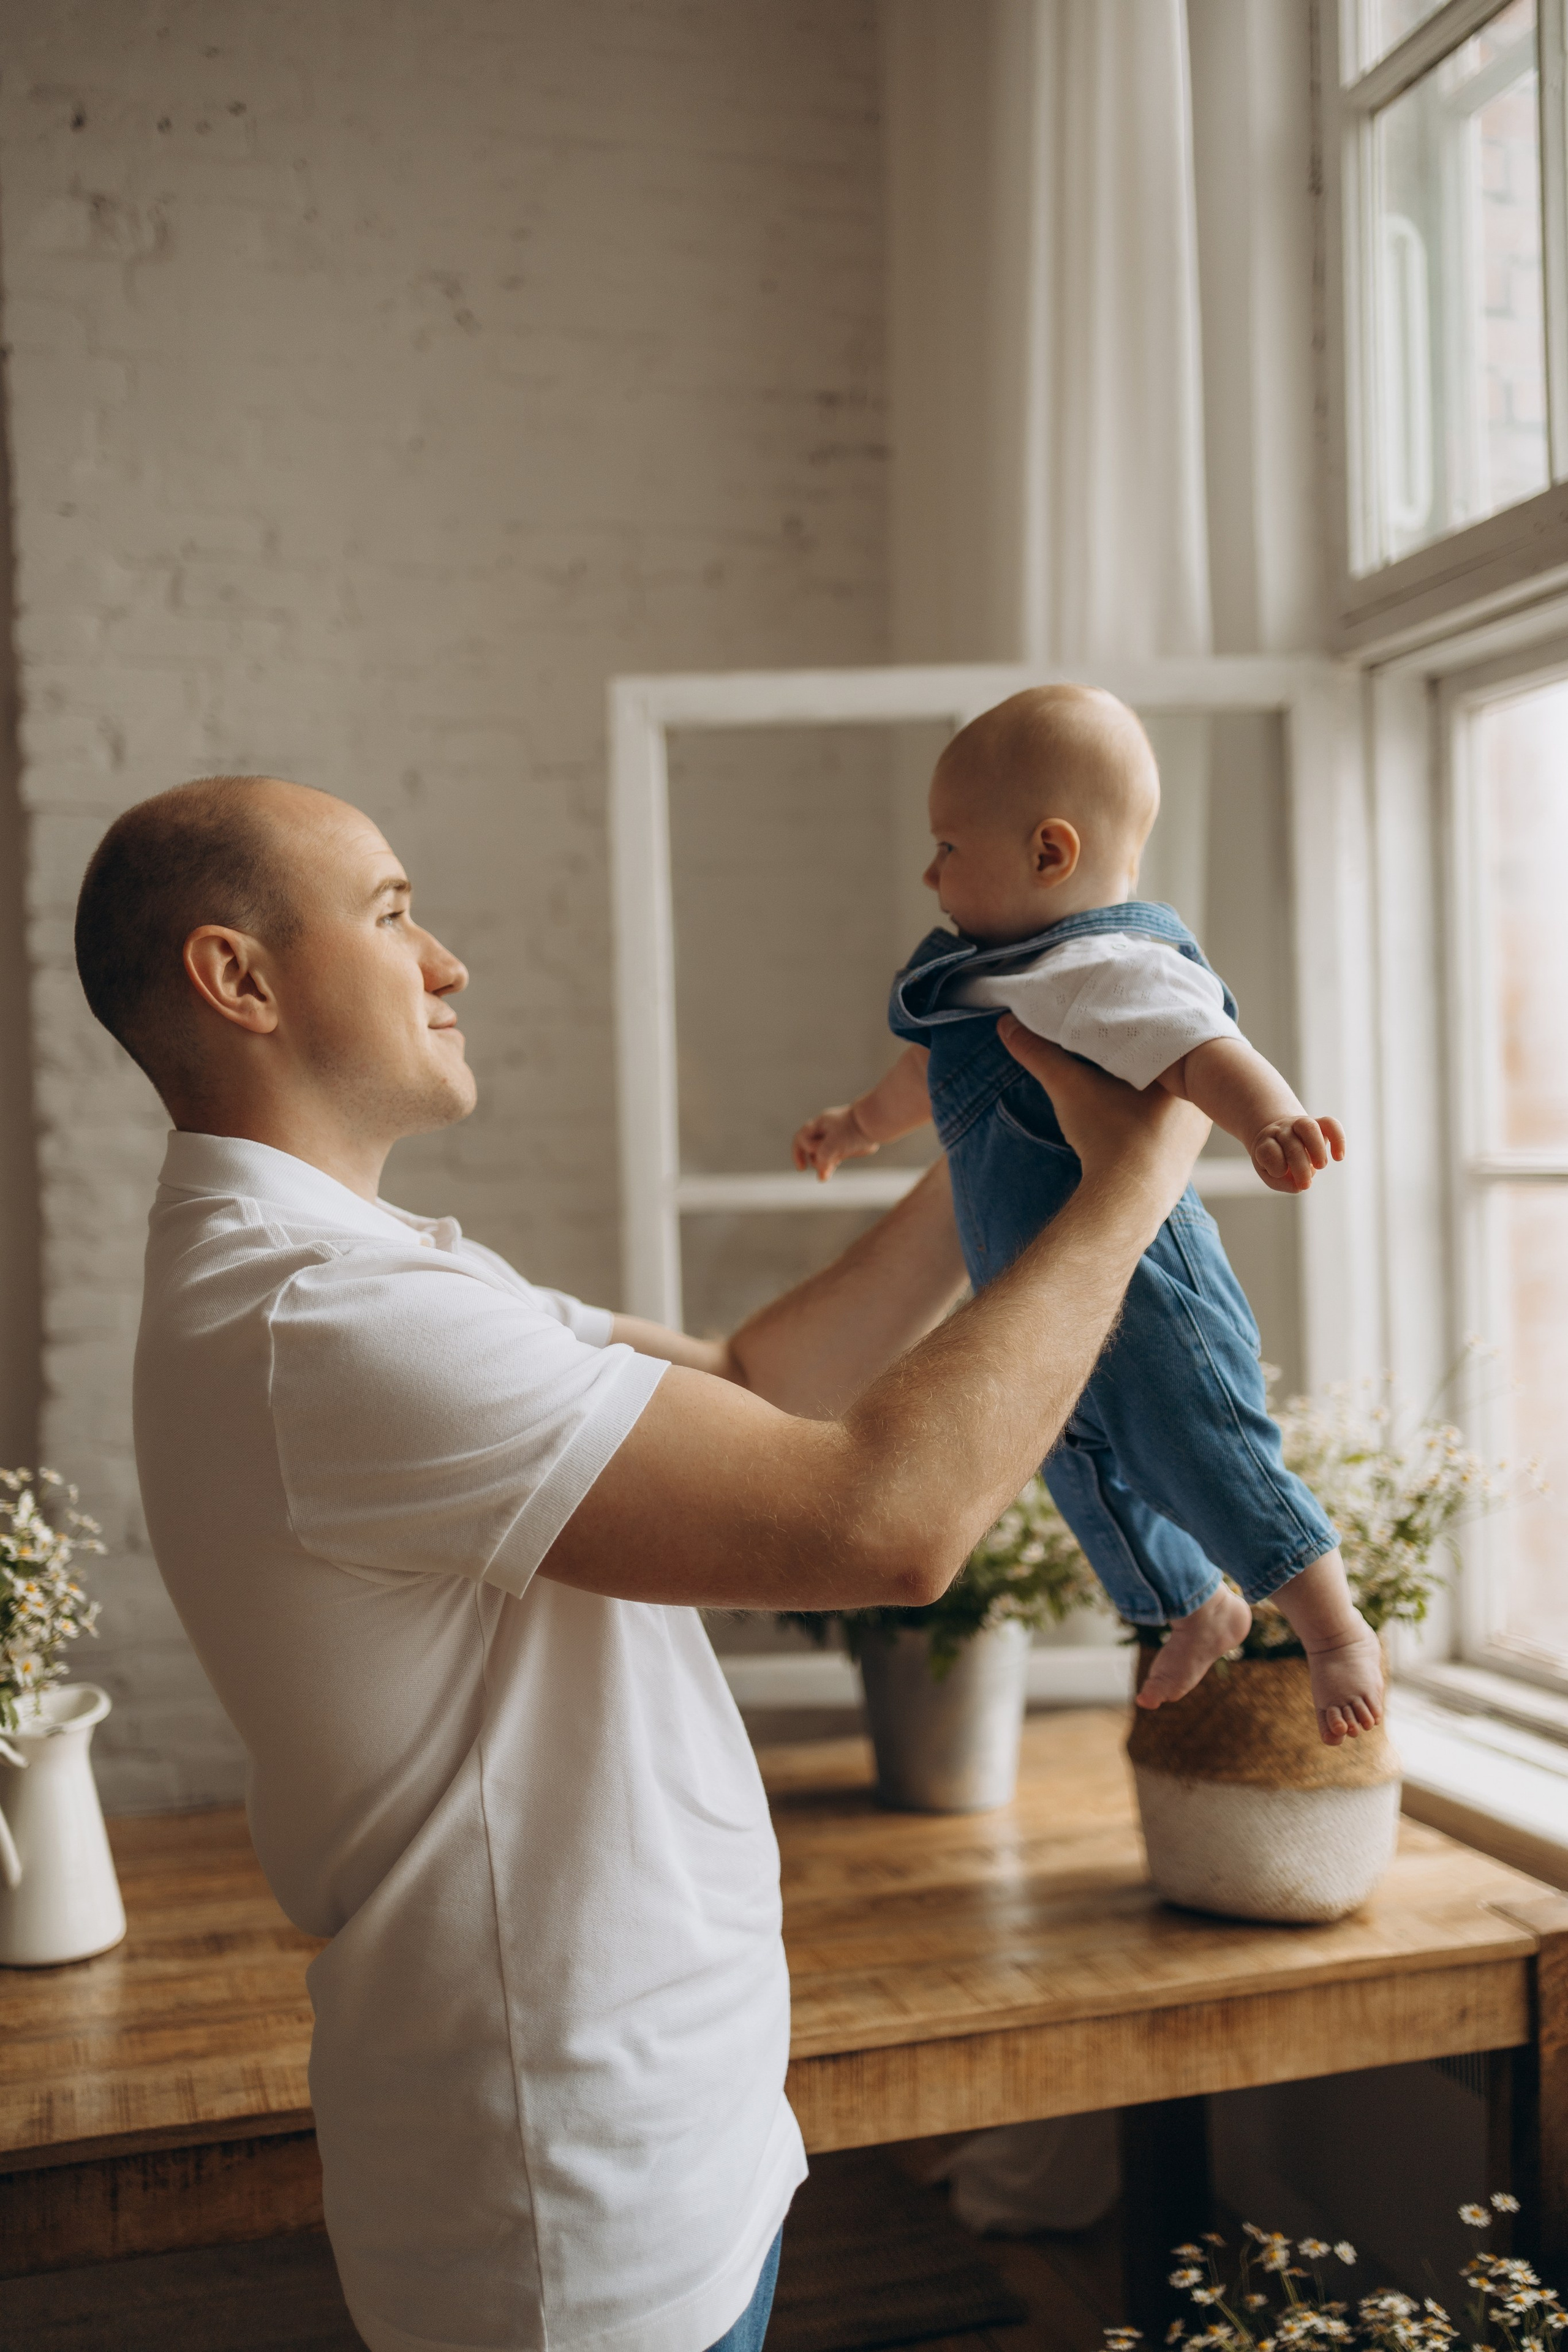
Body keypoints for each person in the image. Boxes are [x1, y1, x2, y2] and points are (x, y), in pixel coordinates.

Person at [75, 773, 1207, 2352]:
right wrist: (1133, 1181)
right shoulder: (322, 1322)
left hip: (655, 2130)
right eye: (395, 914)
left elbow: (757, 1384)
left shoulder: (371, 1277)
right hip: (563, 2208)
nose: (448, 962)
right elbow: (878, 1524)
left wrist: (993, 1149)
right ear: (238, 980)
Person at [792, 685, 1383, 1744]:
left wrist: (1271, 1120)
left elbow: (1205, 1047)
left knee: (1200, 1443)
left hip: (1148, 1286)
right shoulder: (985, 975)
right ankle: (1188, 1603)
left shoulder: (1101, 965)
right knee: (1075, 1460)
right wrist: (857, 1127)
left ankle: (1335, 1630)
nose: (930, 874)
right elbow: (918, 1076)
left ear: (1050, 855)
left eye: (946, 846)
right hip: (1043, 1295)